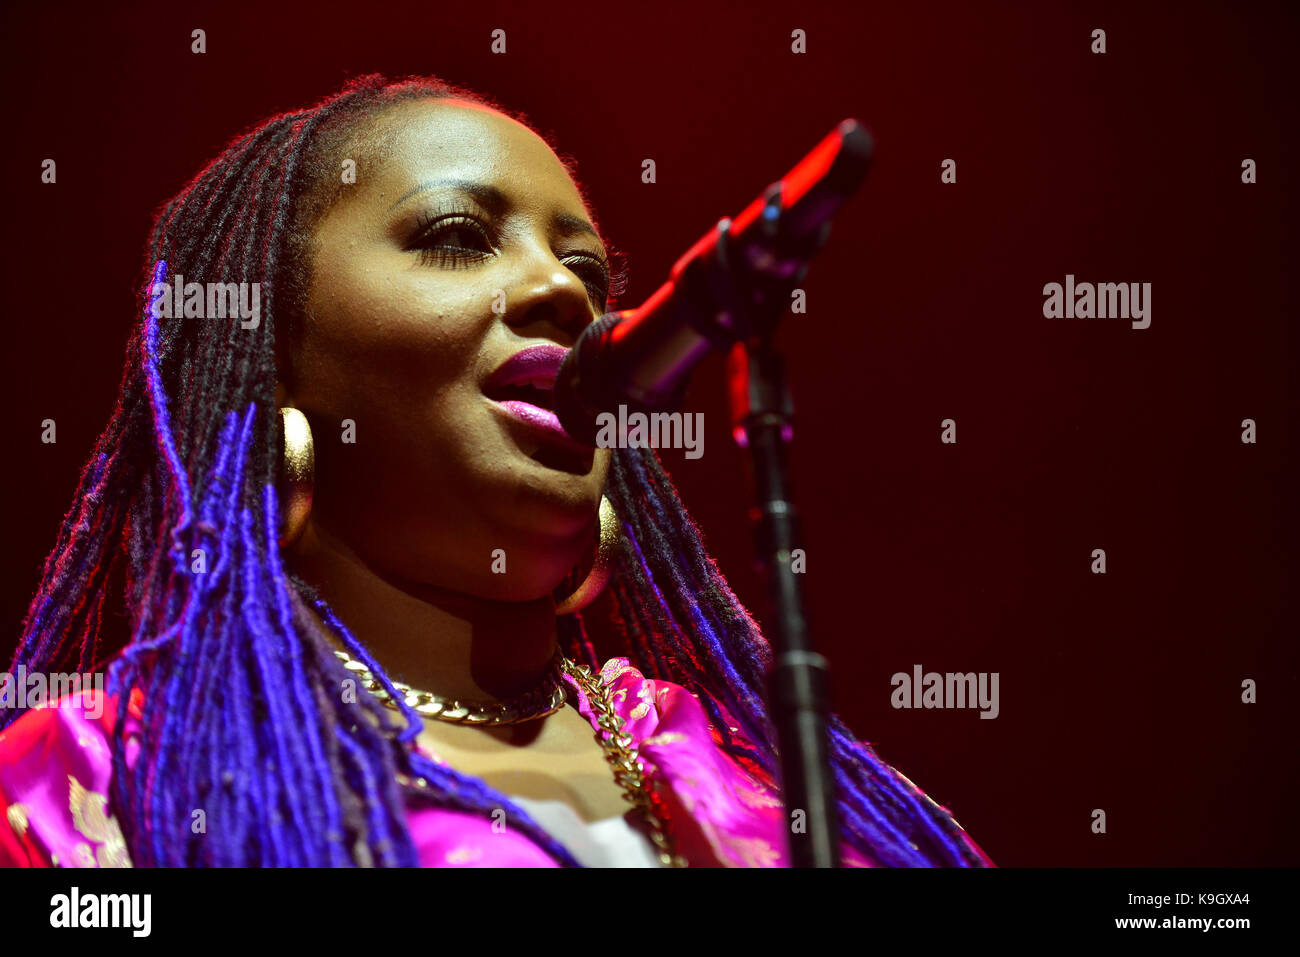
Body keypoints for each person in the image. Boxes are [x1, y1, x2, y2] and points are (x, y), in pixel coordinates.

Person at [0, 74, 992, 868]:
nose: (562, 289)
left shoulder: (746, 768)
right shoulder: (105, 781)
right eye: (456, 239)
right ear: (274, 351)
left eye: (590, 274)